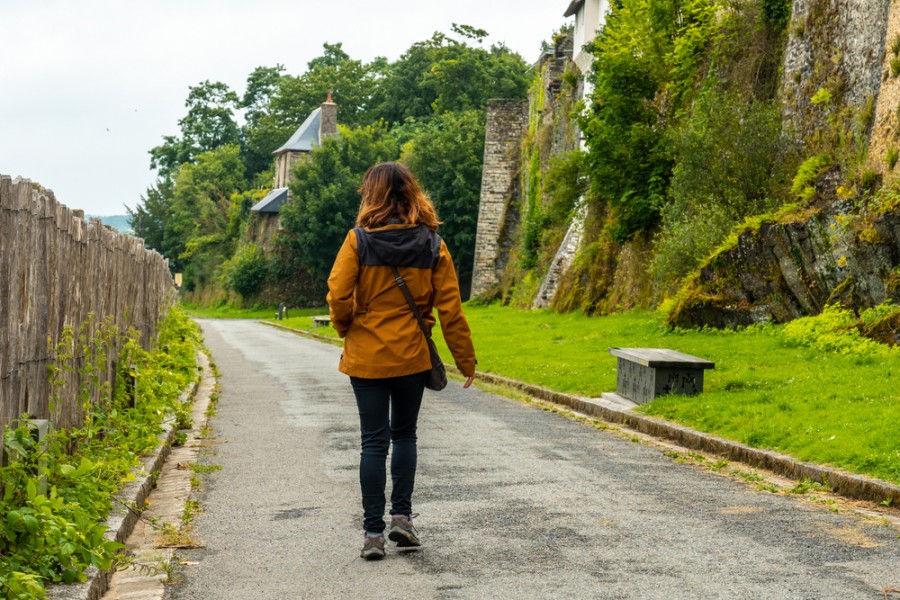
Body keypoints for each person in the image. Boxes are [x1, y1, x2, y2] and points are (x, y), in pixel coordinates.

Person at [327, 162, 477, 560]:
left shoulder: (357, 241)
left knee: (372, 442)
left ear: (371, 195)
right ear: (413, 193)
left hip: (366, 356)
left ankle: (373, 535)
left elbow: (338, 295)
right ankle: (402, 519)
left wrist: (347, 328)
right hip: (411, 355)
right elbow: (451, 310)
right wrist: (465, 359)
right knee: (405, 435)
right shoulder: (432, 244)